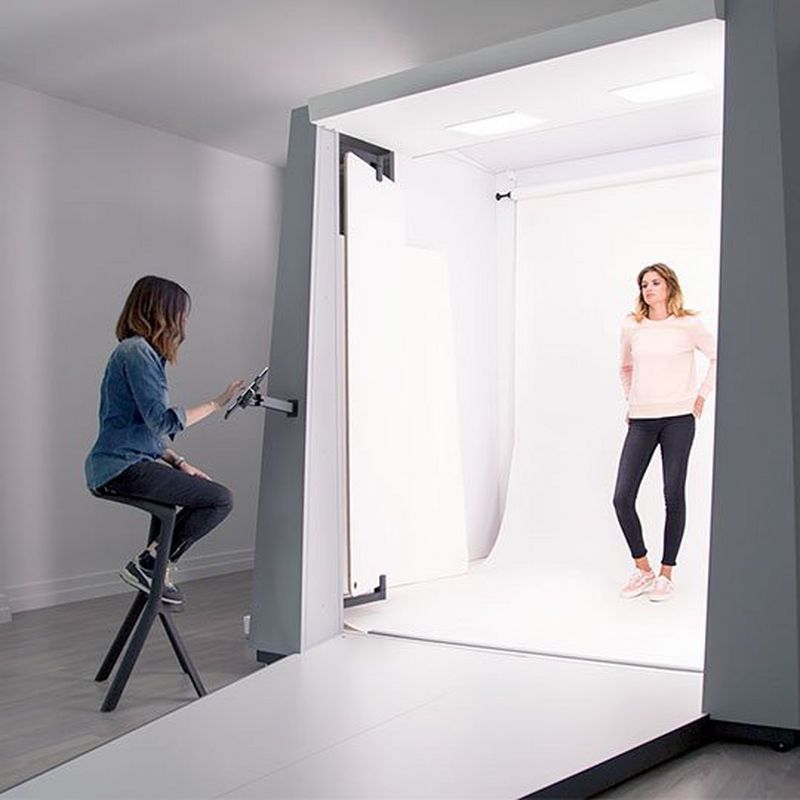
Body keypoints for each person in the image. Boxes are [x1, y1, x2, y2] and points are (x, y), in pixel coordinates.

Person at [85, 276, 245, 605]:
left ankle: (153, 565)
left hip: (121, 462)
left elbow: (143, 432)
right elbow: (161, 420)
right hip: (121, 468)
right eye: (181, 314)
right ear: (163, 311)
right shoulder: (137, 352)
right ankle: (151, 564)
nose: (184, 322)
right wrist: (217, 403)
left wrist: (180, 463)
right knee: (220, 499)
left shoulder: (137, 353)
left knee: (190, 501)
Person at [613, 262, 716, 602]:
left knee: (673, 495)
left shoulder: (688, 324)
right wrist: (632, 400)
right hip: (641, 421)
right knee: (622, 498)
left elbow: (719, 356)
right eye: (644, 284)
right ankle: (643, 570)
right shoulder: (633, 326)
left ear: (669, 286)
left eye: (655, 282)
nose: (648, 289)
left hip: (678, 420)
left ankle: (666, 573)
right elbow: (625, 367)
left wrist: (701, 396)